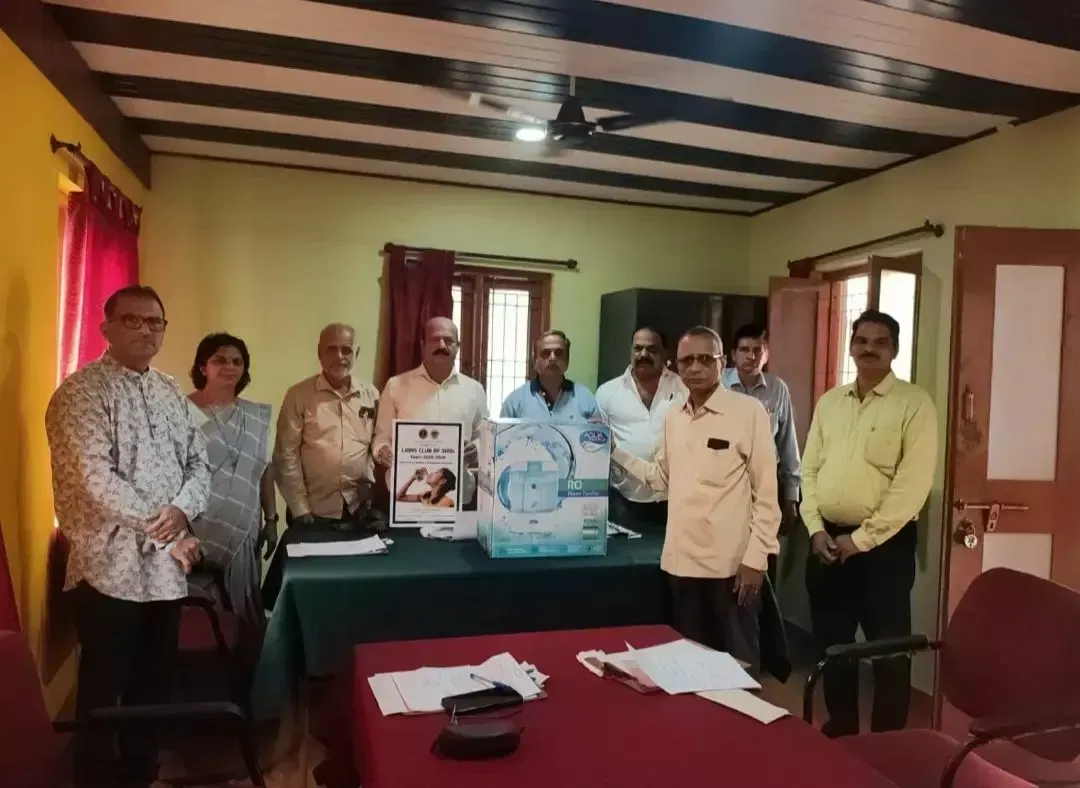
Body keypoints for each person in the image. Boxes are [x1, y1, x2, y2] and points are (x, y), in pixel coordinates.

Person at [45, 285, 209, 788]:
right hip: (108, 569)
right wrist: (167, 530)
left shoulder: (169, 391)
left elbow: (199, 463)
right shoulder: (79, 393)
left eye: (155, 322)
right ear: (106, 328)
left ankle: (143, 775)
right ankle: (94, 780)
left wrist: (183, 509)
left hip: (165, 573)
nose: (146, 330)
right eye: (133, 320)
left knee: (154, 687)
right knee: (103, 693)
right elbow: (96, 481)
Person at [801, 310, 937, 738]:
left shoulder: (914, 404)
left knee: (888, 649)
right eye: (861, 340)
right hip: (826, 542)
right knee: (833, 645)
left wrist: (861, 540)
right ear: (851, 346)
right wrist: (815, 529)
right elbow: (808, 472)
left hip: (885, 548)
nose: (869, 349)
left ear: (894, 349)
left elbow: (912, 487)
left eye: (880, 342)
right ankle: (841, 727)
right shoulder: (830, 402)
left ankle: (888, 742)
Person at [610, 326, 780, 671]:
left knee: (737, 669)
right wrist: (615, 452)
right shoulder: (674, 417)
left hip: (730, 567)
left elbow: (766, 494)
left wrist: (756, 559)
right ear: (675, 365)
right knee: (690, 668)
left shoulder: (748, 412)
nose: (695, 368)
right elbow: (662, 479)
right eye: (687, 361)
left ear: (721, 362)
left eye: (705, 359)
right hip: (682, 564)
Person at [186, 333, 277, 642]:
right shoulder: (181, 411)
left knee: (244, 605)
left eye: (237, 361)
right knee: (200, 612)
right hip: (194, 527)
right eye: (220, 360)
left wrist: (272, 520)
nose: (230, 366)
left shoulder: (255, 416)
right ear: (203, 367)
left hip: (243, 527)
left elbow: (265, 469)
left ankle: (245, 663)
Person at [274, 323, 380, 530]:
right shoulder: (298, 395)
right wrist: (300, 508)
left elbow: (376, 445)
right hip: (313, 512)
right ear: (319, 353)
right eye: (332, 349)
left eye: (346, 350)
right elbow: (285, 454)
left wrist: (370, 492)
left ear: (356, 353)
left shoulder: (371, 394)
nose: (339, 356)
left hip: (358, 509)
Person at [374, 317, 487, 504]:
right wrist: (382, 451)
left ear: (458, 346)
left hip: (458, 496)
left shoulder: (474, 390)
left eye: (449, 340)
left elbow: (483, 437)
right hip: (405, 500)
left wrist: (475, 448)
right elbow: (381, 437)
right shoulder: (395, 386)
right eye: (435, 339)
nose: (441, 345)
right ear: (423, 345)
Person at [722, 323, 801, 582]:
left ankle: (761, 606)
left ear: (766, 354)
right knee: (726, 557)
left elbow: (787, 444)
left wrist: (790, 496)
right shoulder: (718, 384)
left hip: (766, 483)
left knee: (763, 558)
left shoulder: (777, 389)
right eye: (744, 349)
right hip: (725, 483)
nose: (751, 356)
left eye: (758, 350)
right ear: (733, 354)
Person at [595, 327, 686, 529]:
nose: (643, 354)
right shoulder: (607, 393)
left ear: (664, 353)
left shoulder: (683, 389)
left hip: (675, 502)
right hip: (624, 502)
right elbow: (600, 449)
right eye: (638, 348)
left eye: (652, 349)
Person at [500, 330, 601, 421]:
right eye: (546, 353)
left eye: (559, 353)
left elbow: (598, 434)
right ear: (535, 361)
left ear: (567, 361)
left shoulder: (585, 398)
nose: (553, 358)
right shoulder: (515, 401)